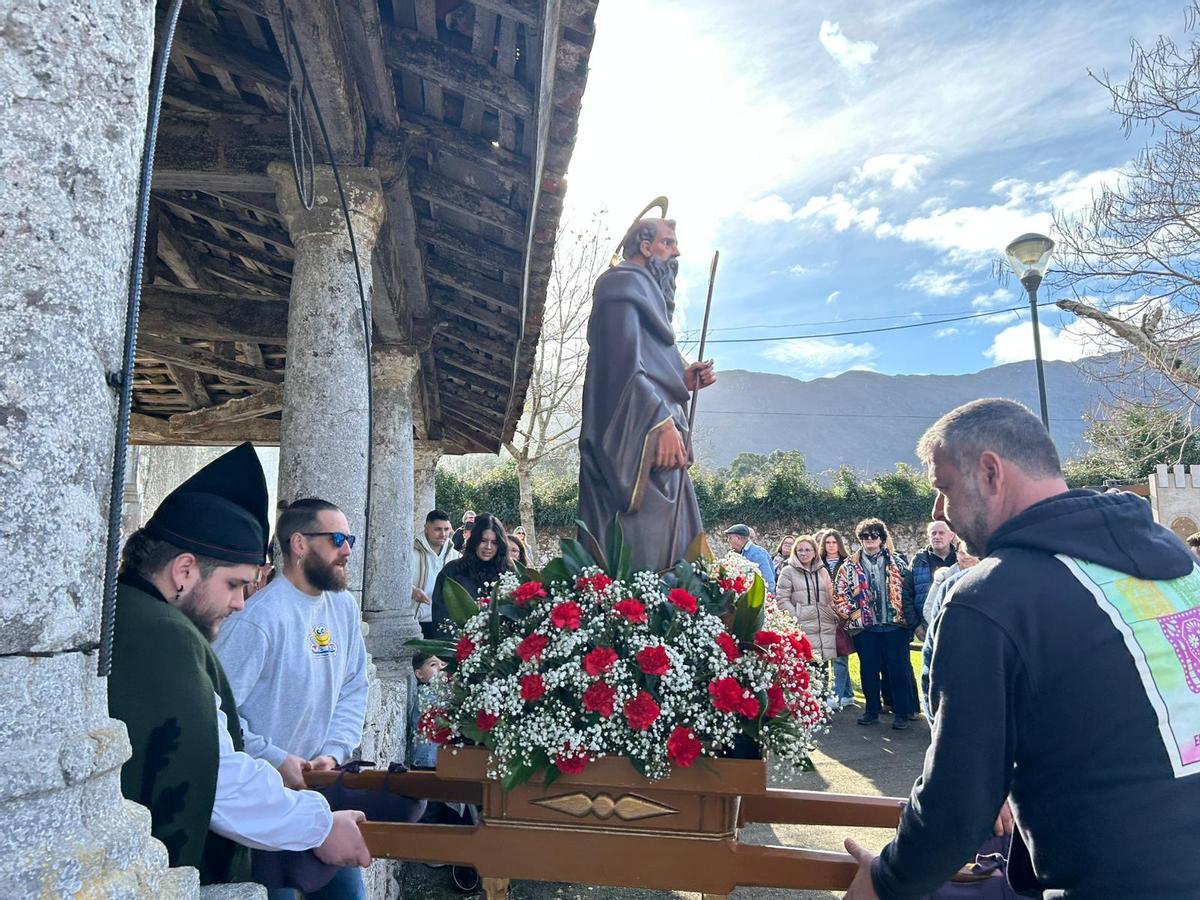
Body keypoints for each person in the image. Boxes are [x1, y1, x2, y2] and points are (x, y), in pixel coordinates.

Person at [844, 398, 1200, 899]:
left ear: (990, 472)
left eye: (943, 488)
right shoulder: (1178, 563)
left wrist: (885, 879)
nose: (937, 511)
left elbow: (959, 802)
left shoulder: (989, 600)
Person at [108, 443, 371, 886]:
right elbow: (216, 770)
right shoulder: (165, 638)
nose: (239, 603)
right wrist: (319, 824)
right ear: (184, 571)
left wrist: (331, 754)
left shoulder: (139, 617)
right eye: (234, 584)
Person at [214, 498, 371, 899]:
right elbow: (216, 714)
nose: (348, 550)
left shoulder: (344, 607)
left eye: (349, 538)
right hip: (262, 806)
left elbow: (354, 686)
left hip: (322, 799)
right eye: (337, 538)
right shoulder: (257, 619)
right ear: (299, 544)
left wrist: (333, 752)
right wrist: (277, 759)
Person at [577, 216, 715, 571]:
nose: (677, 251)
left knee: (676, 548)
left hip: (660, 442)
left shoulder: (646, 294)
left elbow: (647, 364)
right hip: (638, 440)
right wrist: (659, 421)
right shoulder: (620, 289)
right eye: (668, 242)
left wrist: (681, 379)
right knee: (643, 549)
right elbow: (618, 370)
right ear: (644, 245)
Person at [832, 518, 916, 730]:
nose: (869, 540)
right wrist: (855, 616)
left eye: (873, 536)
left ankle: (902, 713)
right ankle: (871, 710)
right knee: (868, 670)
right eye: (864, 536)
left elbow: (908, 593)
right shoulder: (848, 566)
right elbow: (839, 595)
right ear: (860, 539)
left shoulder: (898, 563)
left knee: (898, 669)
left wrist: (908, 619)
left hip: (894, 626)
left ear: (882, 539)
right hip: (866, 629)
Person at [917, 539, 979, 719]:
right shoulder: (947, 583)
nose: (965, 556)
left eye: (969, 552)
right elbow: (930, 609)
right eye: (961, 552)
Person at [775, 535, 841, 703]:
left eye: (807, 550)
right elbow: (782, 599)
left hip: (823, 628)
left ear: (814, 552)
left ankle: (821, 707)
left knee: (823, 670)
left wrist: (832, 614)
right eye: (800, 550)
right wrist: (797, 616)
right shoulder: (787, 571)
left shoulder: (822, 571)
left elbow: (831, 596)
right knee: (803, 670)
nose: (803, 553)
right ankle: (804, 708)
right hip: (802, 629)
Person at [431, 513, 510, 632]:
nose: (488, 547)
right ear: (475, 541)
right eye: (483, 540)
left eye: (494, 542)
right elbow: (441, 617)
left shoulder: (509, 573)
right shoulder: (452, 571)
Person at [819, 528, 856, 707]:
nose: (831, 546)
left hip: (841, 614)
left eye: (834, 542)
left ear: (839, 544)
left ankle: (837, 696)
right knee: (829, 656)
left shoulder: (848, 563)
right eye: (828, 542)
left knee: (840, 655)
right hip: (823, 614)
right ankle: (847, 694)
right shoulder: (817, 563)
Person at [413, 509, 458, 639]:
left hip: (446, 623)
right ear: (426, 528)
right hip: (417, 621)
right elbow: (396, 582)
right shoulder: (409, 554)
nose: (443, 534)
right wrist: (412, 591)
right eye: (438, 529)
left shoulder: (456, 557)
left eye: (446, 529)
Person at [408, 654, 446, 770]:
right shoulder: (426, 696)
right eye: (433, 664)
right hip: (426, 761)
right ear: (419, 674)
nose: (440, 668)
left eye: (443, 664)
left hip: (436, 759)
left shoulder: (440, 692)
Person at [724, 523, 777, 593]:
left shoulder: (758, 553)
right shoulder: (738, 553)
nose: (728, 540)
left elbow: (768, 582)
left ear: (738, 538)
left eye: (730, 537)